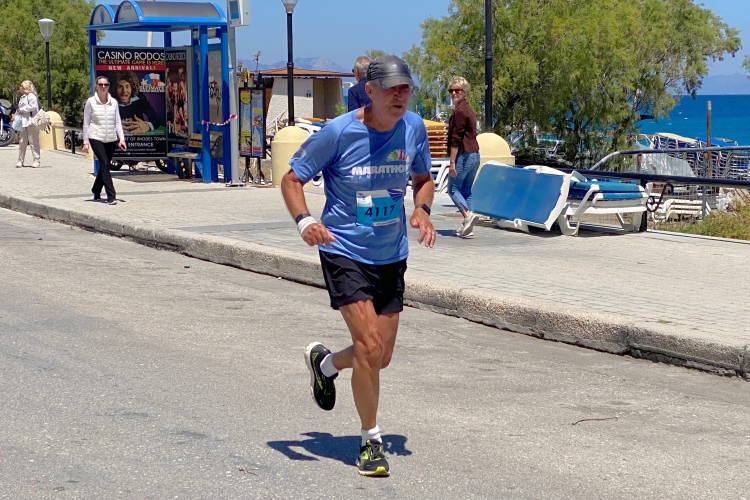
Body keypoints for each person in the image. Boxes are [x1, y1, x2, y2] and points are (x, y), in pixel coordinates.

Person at [281, 55, 436, 478]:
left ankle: (325, 365)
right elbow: (292, 179)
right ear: (369, 91)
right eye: (391, 88)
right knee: (368, 347)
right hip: (343, 249)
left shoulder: (414, 128)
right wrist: (305, 221)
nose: (400, 96)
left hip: (391, 253)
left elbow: (423, 179)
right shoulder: (338, 132)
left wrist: (421, 209)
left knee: (379, 357)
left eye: (406, 88)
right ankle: (370, 441)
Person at [82, 76, 127, 205]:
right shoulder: (90, 102)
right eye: (100, 85)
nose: (103, 87)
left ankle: (96, 189)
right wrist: (85, 142)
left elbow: (117, 122)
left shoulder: (114, 102)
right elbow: (86, 123)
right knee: (105, 163)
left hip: (111, 138)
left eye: (106, 85)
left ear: (108, 86)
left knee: (105, 165)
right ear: (96, 86)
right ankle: (111, 195)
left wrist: (121, 139)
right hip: (96, 136)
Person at [446, 76, 481, 237]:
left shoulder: (460, 111)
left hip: (463, 155)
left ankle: (467, 216)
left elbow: (456, 138)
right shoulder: (468, 109)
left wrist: (452, 162)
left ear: (464, 91)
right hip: (475, 155)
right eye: (451, 90)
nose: (454, 93)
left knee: (452, 189)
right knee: (466, 191)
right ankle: (468, 227)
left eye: (457, 90)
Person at [15, 80, 41, 168]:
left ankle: (36, 160)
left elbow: (33, 107)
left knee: (33, 141)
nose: (19, 87)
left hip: (31, 121)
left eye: (21, 85)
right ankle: (20, 160)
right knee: (22, 142)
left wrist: (22, 109)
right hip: (23, 122)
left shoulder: (31, 96)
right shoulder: (23, 97)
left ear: (25, 87)